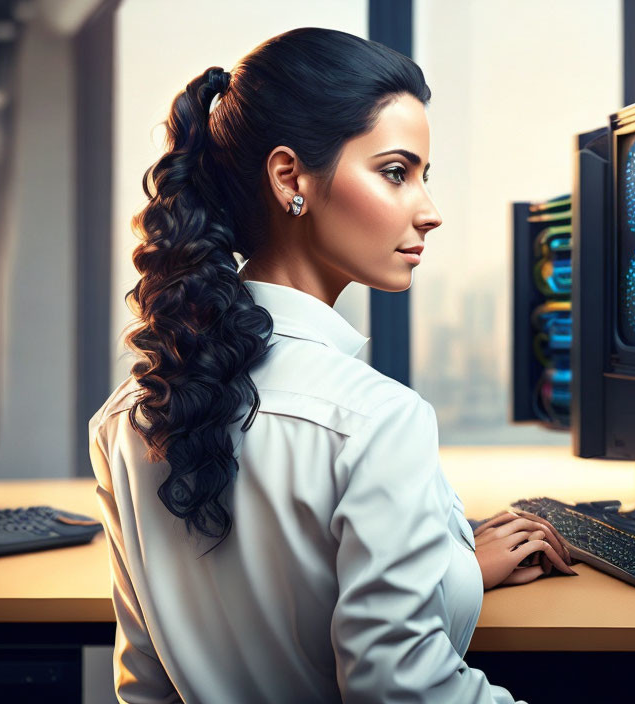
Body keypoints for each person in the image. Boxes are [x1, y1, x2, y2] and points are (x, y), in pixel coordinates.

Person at [89, 26, 574, 704]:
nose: (429, 213)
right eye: (395, 172)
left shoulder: (125, 418)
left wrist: (447, 564)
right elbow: (403, 694)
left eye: (422, 178)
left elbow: (145, 684)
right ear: (291, 178)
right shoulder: (375, 421)